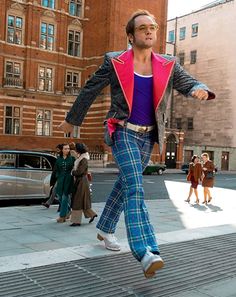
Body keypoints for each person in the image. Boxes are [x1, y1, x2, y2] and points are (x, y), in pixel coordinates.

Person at [58, 9, 215, 278]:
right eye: (142, 27)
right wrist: (73, 119)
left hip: (149, 135)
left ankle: (105, 228)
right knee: (136, 189)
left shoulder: (167, 64)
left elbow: (187, 82)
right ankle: (146, 251)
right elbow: (90, 88)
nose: (149, 31)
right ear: (131, 35)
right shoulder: (115, 61)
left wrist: (198, 88)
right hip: (123, 131)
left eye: (152, 27)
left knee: (125, 184)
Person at [70, 143, 98, 226]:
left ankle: (76, 221)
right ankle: (92, 214)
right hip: (81, 181)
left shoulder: (83, 159)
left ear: (79, 150)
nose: (75, 150)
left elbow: (80, 172)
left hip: (81, 181)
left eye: (76, 149)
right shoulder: (82, 157)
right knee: (82, 201)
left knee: (77, 201)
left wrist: (72, 172)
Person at [54, 143, 75, 223]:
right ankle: (69, 211)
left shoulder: (72, 158)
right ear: (62, 150)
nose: (67, 150)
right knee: (59, 196)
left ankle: (62, 216)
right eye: (65, 149)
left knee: (65, 197)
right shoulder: (58, 159)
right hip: (60, 179)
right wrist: (58, 176)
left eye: (68, 148)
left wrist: (72, 174)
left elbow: (75, 168)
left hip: (68, 179)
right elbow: (56, 170)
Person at [42, 144, 63, 209]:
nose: (57, 151)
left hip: (63, 177)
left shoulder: (64, 157)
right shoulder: (60, 157)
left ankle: (62, 206)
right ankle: (49, 203)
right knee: (55, 190)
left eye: (58, 150)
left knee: (58, 191)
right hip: (59, 177)